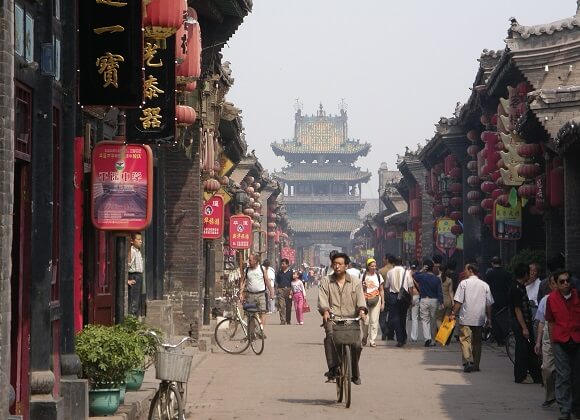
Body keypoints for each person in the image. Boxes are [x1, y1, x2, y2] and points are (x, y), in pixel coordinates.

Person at [318, 252, 367, 385]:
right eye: (335, 264)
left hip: (352, 319)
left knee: (357, 344)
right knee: (330, 338)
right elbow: (322, 299)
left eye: (340, 264)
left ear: (346, 266)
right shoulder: (326, 281)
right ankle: (333, 368)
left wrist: (362, 310)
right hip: (333, 318)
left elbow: (361, 299)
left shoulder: (356, 282)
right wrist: (325, 311)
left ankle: (354, 372)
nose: (337, 266)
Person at [545, 270, 580, 420]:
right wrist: (553, 343)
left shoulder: (578, 296)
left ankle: (576, 406)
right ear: (556, 284)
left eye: (567, 280)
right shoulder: (551, 299)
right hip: (560, 340)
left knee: (577, 376)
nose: (566, 283)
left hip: (577, 339)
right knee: (563, 375)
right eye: (562, 281)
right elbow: (551, 322)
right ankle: (565, 409)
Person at [449, 263, 493, 373]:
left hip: (466, 317)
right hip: (479, 318)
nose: (464, 272)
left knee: (465, 340)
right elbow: (489, 304)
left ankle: (468, 361)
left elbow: (458, 301)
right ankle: (476, 365)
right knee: (477, 342)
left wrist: (453, 313)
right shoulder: (484, 285)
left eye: (466, 270)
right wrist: (489, 318)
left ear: (470, 270)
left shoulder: (464, 283)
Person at [509, 263, 542, 384]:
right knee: (522, 349)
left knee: (529, 349)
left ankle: (535, 375)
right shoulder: (516, 289)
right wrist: (524, 328)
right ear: (524, 274)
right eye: (529, 272)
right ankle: (520, 376)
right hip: (520, 323)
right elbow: (517, 309)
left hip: (524, 322)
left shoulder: (521, 286)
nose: (530, 274)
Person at [534, 273, 558, 409]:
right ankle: (550, 395)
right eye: (556, 283)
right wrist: (538, 341)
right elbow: (541, 322)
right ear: (551, 285)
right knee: (547, 368)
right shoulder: (546, 300)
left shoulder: (571, 299)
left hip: (565, 338)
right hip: (548, 338)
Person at [239, 254, 274, 335]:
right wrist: (241, 292)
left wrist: (272, 293)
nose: (249, 262)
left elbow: (267, 281)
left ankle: (260, 330)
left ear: (255, 261)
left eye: (250, 260)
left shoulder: (262, 269)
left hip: (261, 294)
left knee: (263, 312)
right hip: (250, 295)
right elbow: (243, 282)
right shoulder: (247, 270)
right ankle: (251, 333)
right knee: (250, 314)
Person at [413, 259, 444, 347]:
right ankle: (433, 340)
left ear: (425, 267)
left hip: (424, 300)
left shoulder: (422, 276)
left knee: (424, 320)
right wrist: (441, 302)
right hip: (434, 301)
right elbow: (440, 291)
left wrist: (421, 270)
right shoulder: (437, 279)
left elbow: (414, 275)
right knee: (433, 320)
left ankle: (427, 338)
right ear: (432, 268)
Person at [385, 255, 413, 347]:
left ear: (393, 263)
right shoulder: (407, 272)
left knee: (395, 318)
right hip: (404, 297)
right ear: (402, 263)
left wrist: (387, 298)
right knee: (403, 317)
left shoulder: (389, 272)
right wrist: (411, 298)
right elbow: (410, 287)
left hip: (393, 296)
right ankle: (403, 337)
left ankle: (400, 339)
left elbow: (387, 286)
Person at [484, 256, 512, 346]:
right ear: (501, 263)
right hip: (504, 299)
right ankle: (504, 337)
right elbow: (510, 286)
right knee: (504, 318)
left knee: (494, 318)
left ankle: (498, 338)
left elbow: (486, 287)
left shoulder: (489, 274)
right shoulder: (507, 273)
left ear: (492, 263)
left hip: (492, 299)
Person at [361, 258, 384, 347]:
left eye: (375, 266)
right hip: (365, 301)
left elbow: (381, 290)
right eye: (372, 266)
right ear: (368, 266)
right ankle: (365, 336)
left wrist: (383, 302)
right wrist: (363, 287)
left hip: (376, 300)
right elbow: (359, 290)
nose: (374, 267)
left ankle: (372, 340)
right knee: (365, 321)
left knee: (374, 321)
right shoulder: (363, 276)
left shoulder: (378, 276)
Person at [378, 254, 395, 340]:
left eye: (384, 258)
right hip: (394, 295)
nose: (383, 260)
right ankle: (391, 334)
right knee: (392, 315)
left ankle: (385, 330)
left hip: (384, 294)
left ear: (387, 260)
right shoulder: (396, 270)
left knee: (382, 315)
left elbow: (378, 285)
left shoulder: (381, 271)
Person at [128, 232, 144, 316]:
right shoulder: (132, 251)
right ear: (132, 241)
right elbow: (127, 265)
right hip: (134, 276)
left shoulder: (138, 251)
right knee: (134, 301)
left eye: (141, 239)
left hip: (139, 276)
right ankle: (131, 321)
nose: (141, 241)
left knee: (137, 300)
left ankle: (135, 320)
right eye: (138, 239)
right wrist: (127, 280)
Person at [275, 258, 293, 325]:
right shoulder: (279, 272)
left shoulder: (291, 272)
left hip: (289, 290)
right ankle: (283, 320)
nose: (282, 265)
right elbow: (277, 282)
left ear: (287, 264)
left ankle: (288, 320)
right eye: (281, 264)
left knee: (288, 306)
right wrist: (277, 290)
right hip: (281, 290)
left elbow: (293, 282)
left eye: (284, 264)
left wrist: (292, 290)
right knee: (281, 306)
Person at [437, 264, 455, 330]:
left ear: (439, 269)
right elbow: (451, 291)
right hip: (448, 301)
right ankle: (444, 335)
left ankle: (441, 333)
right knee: (446, 320)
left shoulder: (437, 278)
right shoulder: (449, 280)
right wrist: (452, 301)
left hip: (440, 302)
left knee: (438, 319)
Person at [409, 260, 422, 342]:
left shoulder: (407, 274)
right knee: (415, 318)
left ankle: (405, 335)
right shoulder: (420, 275)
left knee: (405, 317)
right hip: (417, 296)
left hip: (408, 297)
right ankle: (414, 337)